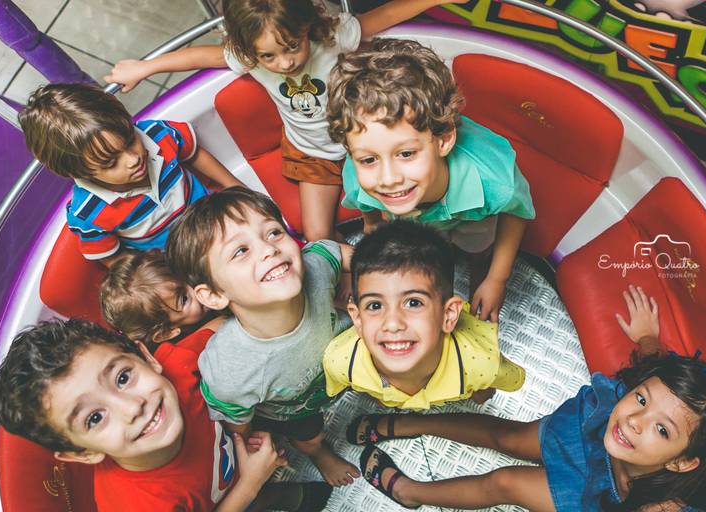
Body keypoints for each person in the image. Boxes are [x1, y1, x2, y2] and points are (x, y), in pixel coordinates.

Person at [348, 286, 706, 511]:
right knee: (507, 436)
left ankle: (409, 492)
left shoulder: (666, 506)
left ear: (682, 461)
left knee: (503, 482)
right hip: (587, 432)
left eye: (661, 428)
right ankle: (409, 423)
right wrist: (647, 337)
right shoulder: (628, 414)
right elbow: (658, 372)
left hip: (600, 500)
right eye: (640, 400)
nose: (635, 419)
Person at [104, 0, 467, 243]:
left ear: (306, 27)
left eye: (292, 46)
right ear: (249, 50)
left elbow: (383, 17)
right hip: (313, 154)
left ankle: (380, 232)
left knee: (391, 214)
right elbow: (201, 55)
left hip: (365, 145)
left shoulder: (332, 38)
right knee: (316, 235)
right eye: (269, 56)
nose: (284, 63)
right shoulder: (248, 57)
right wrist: (146, 67)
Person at [0, 319, 333, 511]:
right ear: (82, 452)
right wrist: (250, 483)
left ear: (147, 357)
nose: (132, 407)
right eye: (95, 418)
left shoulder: (179, 366)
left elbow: (224, 327)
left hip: (236, 466)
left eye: (123, 377)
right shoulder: (136, 506)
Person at [327, 38, 536, 322]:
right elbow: (366, 207)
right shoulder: (359, 176)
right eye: (368, 159)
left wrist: (497, 279)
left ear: (444, 140)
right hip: (414, 222)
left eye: (406, 153)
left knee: (478, 248)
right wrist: (374, 227)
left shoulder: (493, 182)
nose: (388, 179)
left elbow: (516, 213)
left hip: (472, 215)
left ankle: (479, 273)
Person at [166, 187, 357, 486]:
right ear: (214, 295)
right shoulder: (231, 371)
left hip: (344, 363)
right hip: (295, 410)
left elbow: (332, 250)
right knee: (310, 435)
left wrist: (376, 274)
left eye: (273, 233)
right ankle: (319, 454)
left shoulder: (314, 267)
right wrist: (251, 443)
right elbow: (237, 423)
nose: (269, 249)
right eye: (241, 251)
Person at [17, 83, 244, 264]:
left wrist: (234, 186)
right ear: (77, 171)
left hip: (216, 217)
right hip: (180, 261)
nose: (133, 158)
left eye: (130, 140)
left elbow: (193, 154)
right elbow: (111, 258)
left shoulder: (157, 134)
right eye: (111, 162)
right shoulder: (88, 213)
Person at [323, 220, 525, 413]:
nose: (392, 324)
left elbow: (495, 386)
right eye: (375, 305)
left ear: (448, 315)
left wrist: (481, 390)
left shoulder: (483, 363)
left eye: (413, 303)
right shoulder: (341, 363)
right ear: (357, 319)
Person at [100, 250, 214, 344]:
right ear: (167, 332)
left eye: (185, 275)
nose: (196, 287)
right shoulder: (191, 350)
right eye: (184, 299)